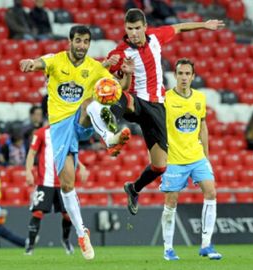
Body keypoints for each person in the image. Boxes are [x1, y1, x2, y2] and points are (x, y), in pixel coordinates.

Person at [91, 8, 224, 216]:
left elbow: (179, 27)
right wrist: (111, 66)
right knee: (114, 92)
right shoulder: (120, 52)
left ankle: (134, 189)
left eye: (137, 28)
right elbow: (105, 75)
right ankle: (110, 134)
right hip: (136, 101)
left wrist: (204, 25)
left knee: (160, 166)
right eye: (129, 28)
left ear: (145, 27)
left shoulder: (155, 38)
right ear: (125, 29)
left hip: (158, 107)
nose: (133, 32)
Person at [19, 25, 133, 260]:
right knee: (68, 184)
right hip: (60, 128)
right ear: (70, 41)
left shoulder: (94, 67)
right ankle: (82, 233)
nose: (82, 46)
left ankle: (111, 137)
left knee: (90, 102)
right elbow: (40, 62)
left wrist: (128, 74)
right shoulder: (56, 60)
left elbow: (116, 89)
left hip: (81, 122)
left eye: (86, 42)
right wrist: (31, 63)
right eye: (78, 41)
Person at [159, 59, 221, 261]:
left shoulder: (200, 98)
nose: (184, 77)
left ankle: (206, 245)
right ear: (175, 75)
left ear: (193, 76)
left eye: (187, 74)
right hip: (174, 159)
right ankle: (168, 248)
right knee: (171, 200)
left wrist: (207, 156)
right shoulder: (165, 99)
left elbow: (202, 126)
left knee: (211, 192)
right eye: (180, 73)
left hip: (197, 156)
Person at [24, 125, 90, 255]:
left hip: (62, 181)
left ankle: (65, 240)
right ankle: (30, 246)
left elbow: (70, 153)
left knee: (67, 215)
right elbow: (32, 152)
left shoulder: (65, 131)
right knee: (37, 213)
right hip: (45, 182)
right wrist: (28, 171)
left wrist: (81, 166)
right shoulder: (41, 133)